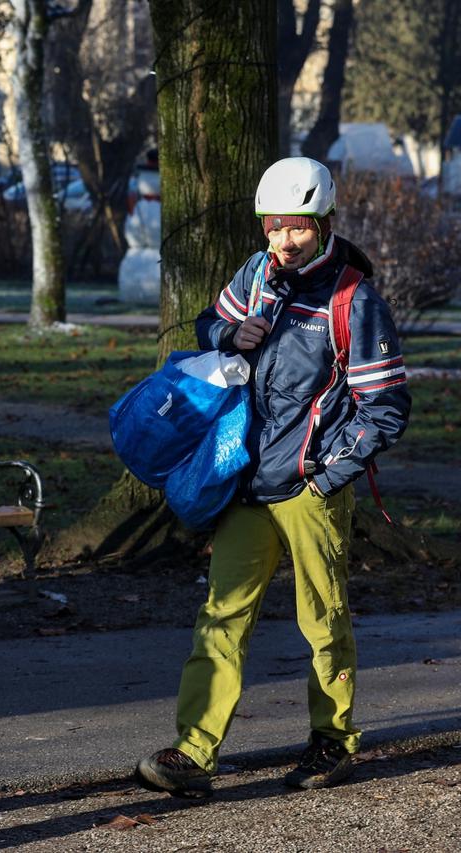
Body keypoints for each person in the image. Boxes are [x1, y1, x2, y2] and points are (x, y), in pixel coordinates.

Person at [135, 157, 410, 798]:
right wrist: (232, 333)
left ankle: (332, 743)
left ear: (325, 223)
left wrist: (327, 475)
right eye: (274, 228)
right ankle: (194, 752)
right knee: (220, 617)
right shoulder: (257, 273)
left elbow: (387, 409)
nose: (283, 242)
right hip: (245, 482)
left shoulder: (352, 299)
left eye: (299, 229)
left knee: (323, 619)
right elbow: (208, 326)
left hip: (310, 487)